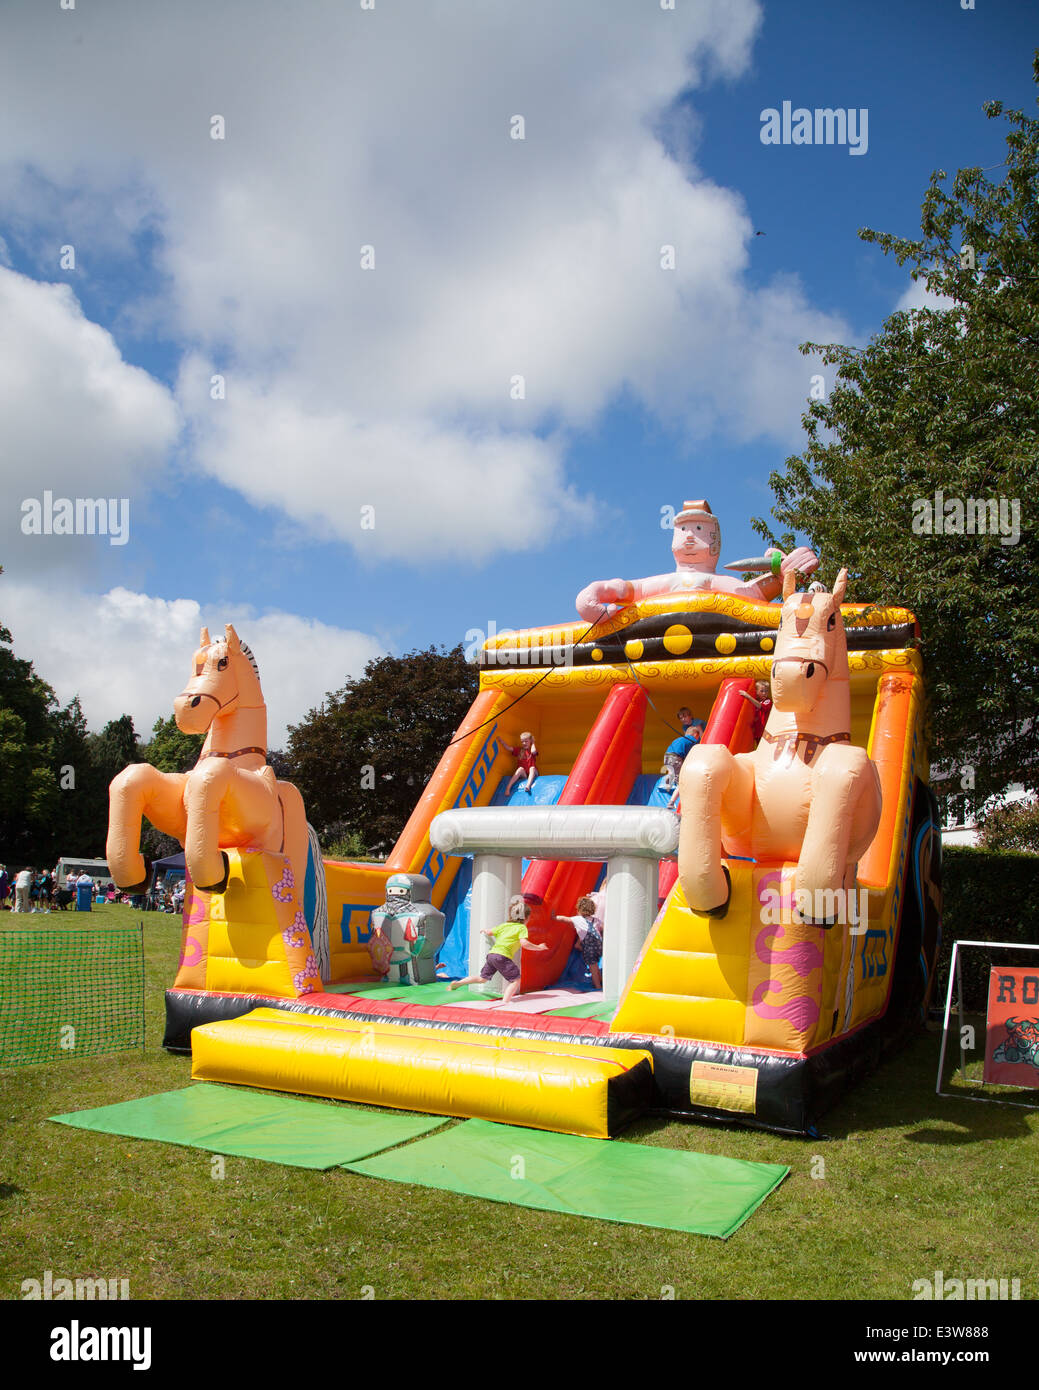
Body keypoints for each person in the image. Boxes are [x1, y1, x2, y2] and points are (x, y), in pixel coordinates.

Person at [575, 498, 819, 622]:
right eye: (683, 530)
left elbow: (750, 594)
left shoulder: (713, 582)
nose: (689, 537)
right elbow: (634, 589)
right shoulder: (667, 580)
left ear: (714, 538)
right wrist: (603, 590)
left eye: (699, 529)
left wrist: (781, 577)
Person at [447, 897, 548, 1005]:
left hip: (492, 955)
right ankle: (505, 1002)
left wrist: (485, 930)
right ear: (526, 918)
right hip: (502, 956)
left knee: (482, 979)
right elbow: (524, 943)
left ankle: (457, 984)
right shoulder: (521, 928)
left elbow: (490, 932)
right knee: (515, 980)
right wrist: (539, 947)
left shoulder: (504, 925)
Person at [552, 895, 604, 990]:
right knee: (596, 965)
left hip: (589, 948)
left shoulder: (577, 919)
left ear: (579, 909)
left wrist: (554, 917)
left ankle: (598, 986)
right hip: (599, 946)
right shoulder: (595, 920)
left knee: (593, 967)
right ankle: (601, 980)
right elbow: (602, 928)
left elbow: (564, 919)